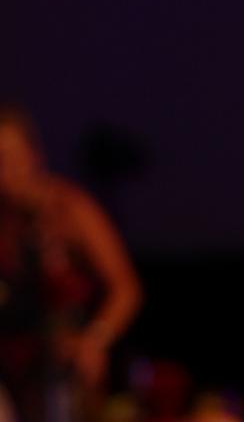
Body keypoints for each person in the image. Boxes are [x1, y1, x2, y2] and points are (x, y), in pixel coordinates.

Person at [0, 104, 143, 421]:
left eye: (11, 155)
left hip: (68, 369)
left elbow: (126, 288)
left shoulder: (71, 209)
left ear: (33, 155)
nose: (5, 168)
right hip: (14, 368)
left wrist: (95, 339)